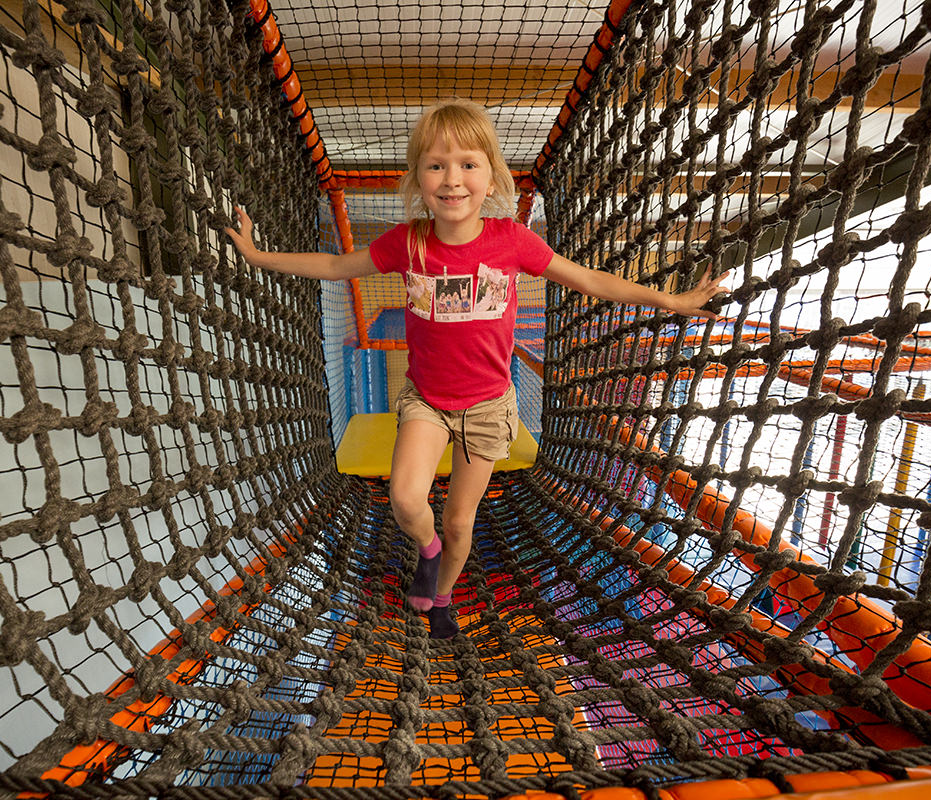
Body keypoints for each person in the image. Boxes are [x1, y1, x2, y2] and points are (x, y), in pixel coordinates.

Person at [224, 98, 728, 639]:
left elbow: (589, 279)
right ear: (418, 180)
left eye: (468, 164)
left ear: (491, 178)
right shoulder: (409, 242)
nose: (452, 179)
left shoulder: (511, 240)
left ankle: (441, 597)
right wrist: (258, 257)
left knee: (460, 519)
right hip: (428, 400)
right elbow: (333, 264)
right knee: (405, 499)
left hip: (487, 407)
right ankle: (428, 549)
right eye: (436, 165)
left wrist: (669, 301)